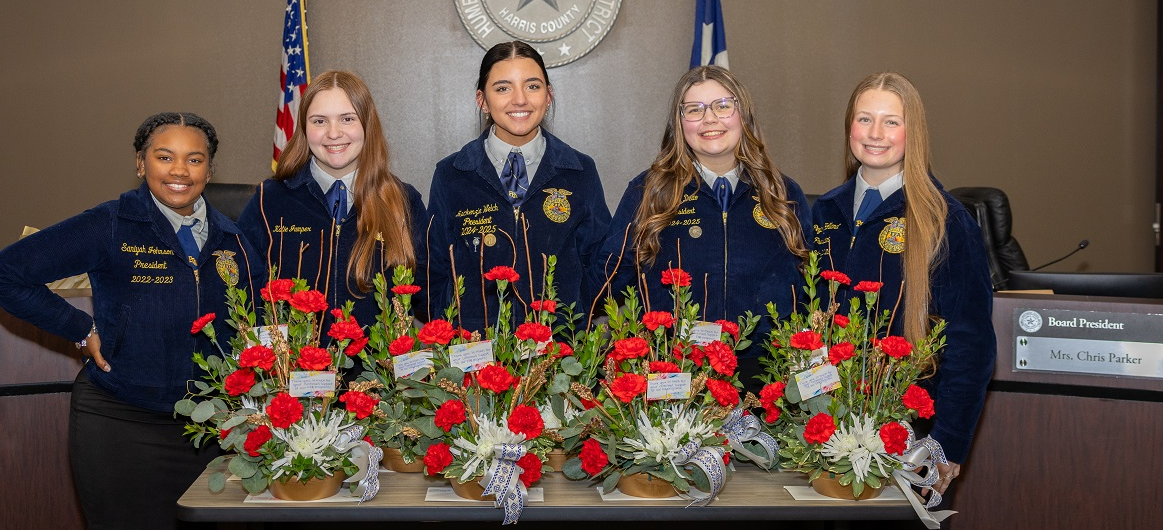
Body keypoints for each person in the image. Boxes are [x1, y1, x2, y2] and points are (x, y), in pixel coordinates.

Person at [0, 113, 266, 530]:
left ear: (210, 170)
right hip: (119, 422)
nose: (179, 171)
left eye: (194, 159)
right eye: (164, 157)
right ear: (140, 163)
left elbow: (257, 317)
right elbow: (1, 275)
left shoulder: (236, 239)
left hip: (200, 431)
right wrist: (80, 328)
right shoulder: (111, 224)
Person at [809, 72, 996, 530]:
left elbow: (971, 347)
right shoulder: (822, 212)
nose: (875, 133)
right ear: (848, 128)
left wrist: (948, 445)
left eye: (892, 122)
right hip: (835, 427)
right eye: (864, 119)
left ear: (914, 133)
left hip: (916, 432)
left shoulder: (946, 219)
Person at [599, 65, 811, 386]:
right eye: (694, 110)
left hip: (768, 374)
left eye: (723, 106)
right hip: (676, 369)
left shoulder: (783, 193)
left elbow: (813, 287)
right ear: (679, 123)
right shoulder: (649, 191)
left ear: (744, 116)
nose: (710, 119)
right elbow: (611, 278)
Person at [426, 41, 610, 329]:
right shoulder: (451, 174)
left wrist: (573, 319)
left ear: (548, 96)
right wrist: (459, 326)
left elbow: (599, 263)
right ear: (482, 100)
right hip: (476, 354)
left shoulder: (580, 171)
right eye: (503, 88)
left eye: (532, 86)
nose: (520, 99)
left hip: (558, 352)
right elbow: (433, 269)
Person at [239, 70, 426, 334]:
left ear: (367, 125)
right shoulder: (268, 200)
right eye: (319, 121)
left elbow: (431, 295)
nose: (333, 133)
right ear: (304, 128)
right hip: (292, 371)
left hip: (378, 372)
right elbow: (242, 295)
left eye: (347, 119)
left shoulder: (405, 201)